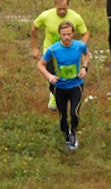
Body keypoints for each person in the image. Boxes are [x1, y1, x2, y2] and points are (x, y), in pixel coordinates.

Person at [30, 0, 89, 111]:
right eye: (59, 9)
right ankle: (54, 93)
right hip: (51, 51)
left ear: (68, 6)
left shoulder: (75, 17)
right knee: (52, 74)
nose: (62, 11)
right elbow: (34, 28)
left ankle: (69, 96)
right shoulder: (46, 16)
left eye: (64, 9)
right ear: (55, 5)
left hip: (68, 51)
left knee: (68, 74)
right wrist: (35, 47)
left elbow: (85, 33)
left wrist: (81, 47)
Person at [36, 20, 88, 151]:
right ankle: (67, 137)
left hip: (76, 85)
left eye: (69, 34)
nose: (66, 37)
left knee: (74, 113)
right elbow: (40, 64)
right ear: (59, 34)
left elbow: (87, 55)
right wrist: (49, 76)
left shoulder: (79, 46)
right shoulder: (53, 50)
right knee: (63, 115)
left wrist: (84, 68)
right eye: (63, 34)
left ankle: (73, 133)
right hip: (60, 87)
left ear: (73, 34)